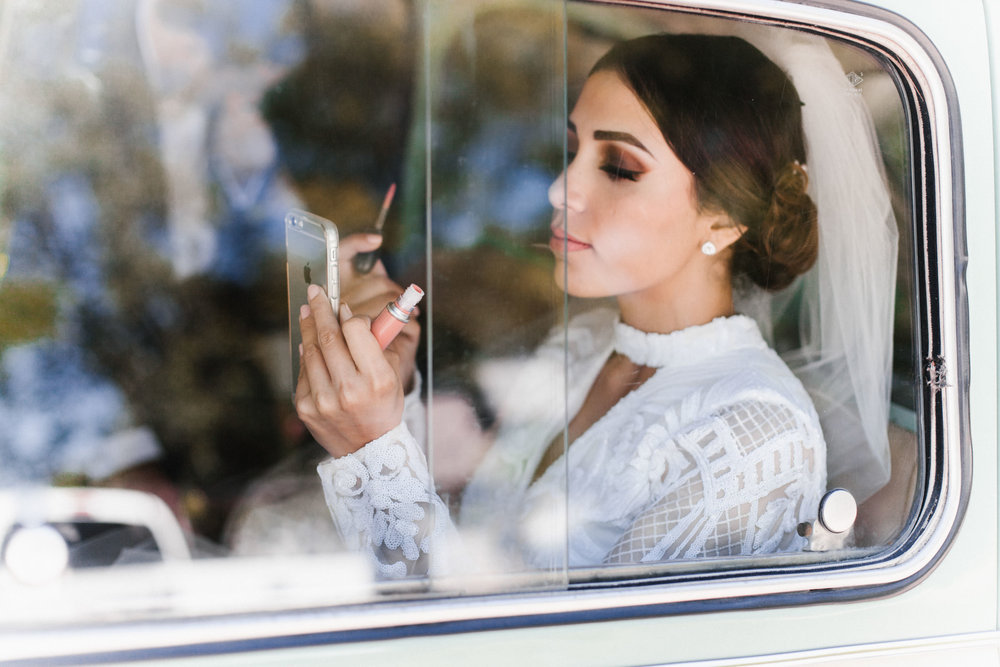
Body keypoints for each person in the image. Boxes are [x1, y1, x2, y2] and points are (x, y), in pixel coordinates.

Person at [294, 31, 896, 578]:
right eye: (572, 150)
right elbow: (479, 547)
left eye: (618, 167)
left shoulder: (753, 438)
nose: (560, 189)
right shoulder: (582, 344)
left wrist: (371, 452)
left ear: (726, 214)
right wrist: (390, 399)